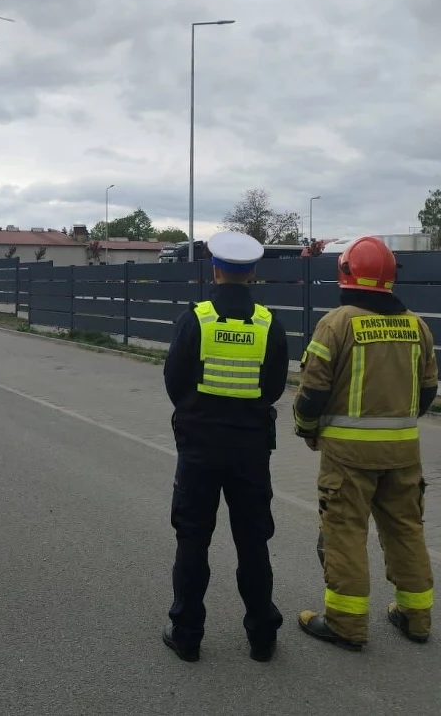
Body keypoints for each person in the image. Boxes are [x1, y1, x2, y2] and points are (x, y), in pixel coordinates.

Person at [292, 235, 439, 650]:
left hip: (348, 458)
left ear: (345, 273)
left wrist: (307, 428)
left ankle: (346, 625)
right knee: (406, 530)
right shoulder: (417, 325)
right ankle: (416, 617)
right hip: (404, 452)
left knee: (344, 534)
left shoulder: (336, 324)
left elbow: (312, 394)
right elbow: (428, 390)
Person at [161, 230, 290, 663]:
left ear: (215, 270)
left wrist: (198, 411)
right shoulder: (269, 324)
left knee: (192, 540)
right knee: (252, 542)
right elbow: (274, 387)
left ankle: (187, 635)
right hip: (250, 449)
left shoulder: (195, 320)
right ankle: (262, 637)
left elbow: (174, 381)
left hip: (199, 446)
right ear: (251, 273)